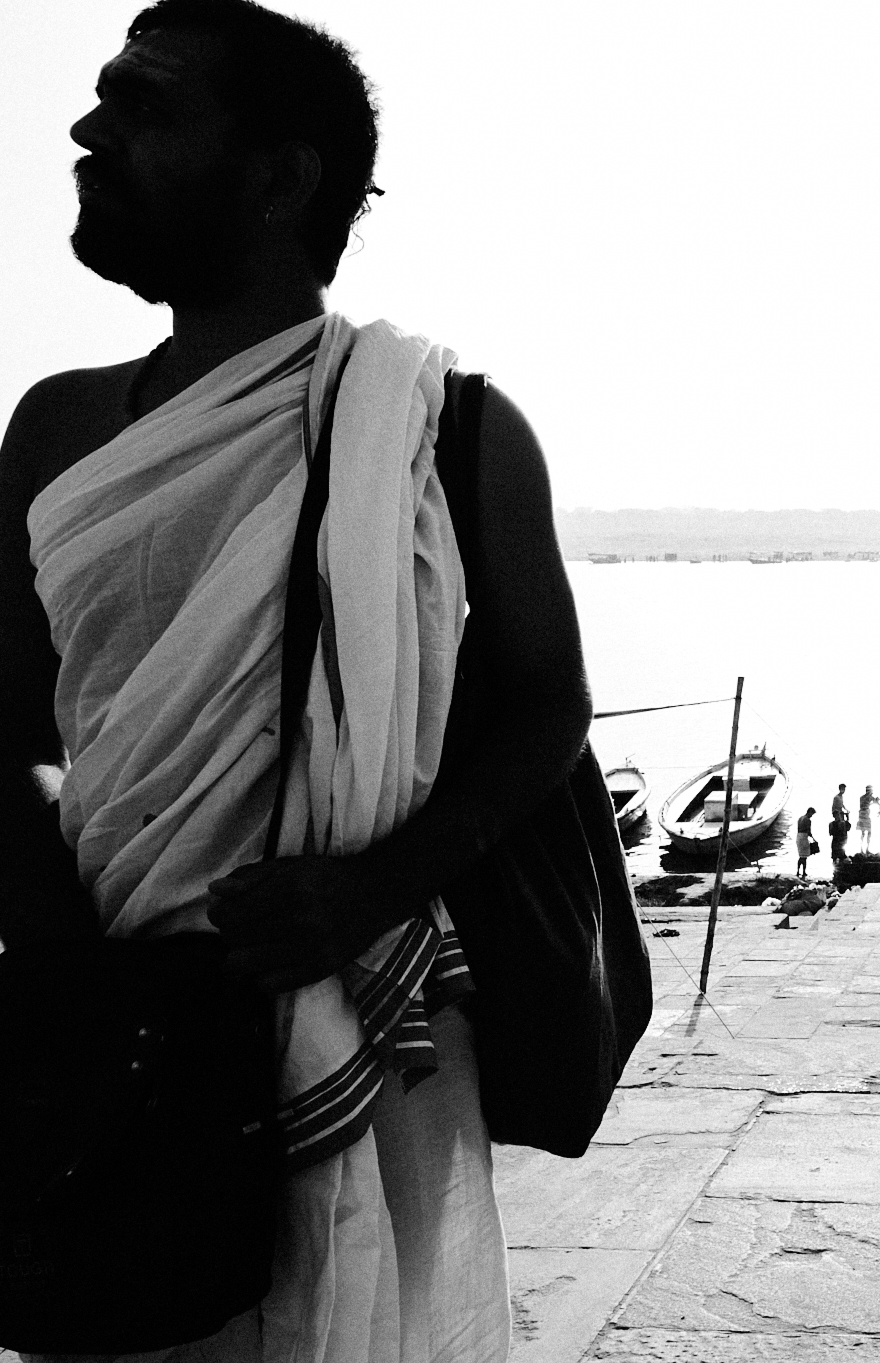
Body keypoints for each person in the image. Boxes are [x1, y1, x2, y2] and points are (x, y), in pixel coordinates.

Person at [0, 3, 593, 1356]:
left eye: (144, 105)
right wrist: (89, 979)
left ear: (279, 178)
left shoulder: (448, 428)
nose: (89, 130)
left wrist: (375, 883)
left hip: (368, 1024)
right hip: (116, 1041)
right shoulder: (56, 426)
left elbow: (549, 705)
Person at [795, 806, 817, 878]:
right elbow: (809, 831)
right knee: (804, 856)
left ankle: (798, 871)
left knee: (801, 856)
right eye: (812, 814)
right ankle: (804, 872)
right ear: (809, 812)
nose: (811, 816)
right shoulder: (808, 820)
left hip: (798, 836)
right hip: (804, 837)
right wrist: (814, 839)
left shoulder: (800, 818)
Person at [857, 784, 878, 851]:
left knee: (863, 832)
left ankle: (862, 849)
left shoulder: (862, 797)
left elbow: (867, 802)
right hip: (865, 814)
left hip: (861, 814)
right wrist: (876, 800)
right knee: (869, 831)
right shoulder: (869, 797)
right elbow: (875, 801)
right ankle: (866, 849)